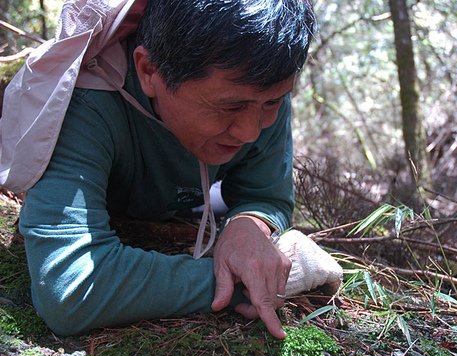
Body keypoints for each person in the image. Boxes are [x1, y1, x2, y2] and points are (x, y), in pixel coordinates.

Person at [3, 0, 342, 338]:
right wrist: (263, 278)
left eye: (272, 102)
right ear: (149, 71)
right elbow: (71, 289)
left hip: (186, 201)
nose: (251, 131)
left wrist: (248, 225)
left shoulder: (259, 86)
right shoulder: (84, 103)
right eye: (231, 106)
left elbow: (265, 195)